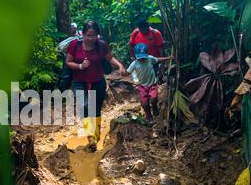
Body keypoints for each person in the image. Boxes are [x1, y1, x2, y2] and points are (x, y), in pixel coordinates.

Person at [66, 21, 125, 151]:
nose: (91, 38)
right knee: (85, 106)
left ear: (97, 35)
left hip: (98, 82)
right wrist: (80, 66)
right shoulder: (75, 45)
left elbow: (110, 58)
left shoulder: (101, 45)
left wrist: (120, 65)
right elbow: (68, 62)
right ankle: (90, 136)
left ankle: (95, 138)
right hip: (79, 82)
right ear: (82, 34)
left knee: (96, 110)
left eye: (94, 35)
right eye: (88, 35)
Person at [125, 43, 173, 125]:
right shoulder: (134, 63)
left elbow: (158, 59)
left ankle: (154, 107)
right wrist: (123, 72)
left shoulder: (150, 59)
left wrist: (168, 58)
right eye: (140, 57)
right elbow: (128, 72)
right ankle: (149, 116)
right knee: (144, 103)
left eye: (143, 57)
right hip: (142, 86)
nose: (142, 59)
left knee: (154, 98)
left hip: (152, 84)